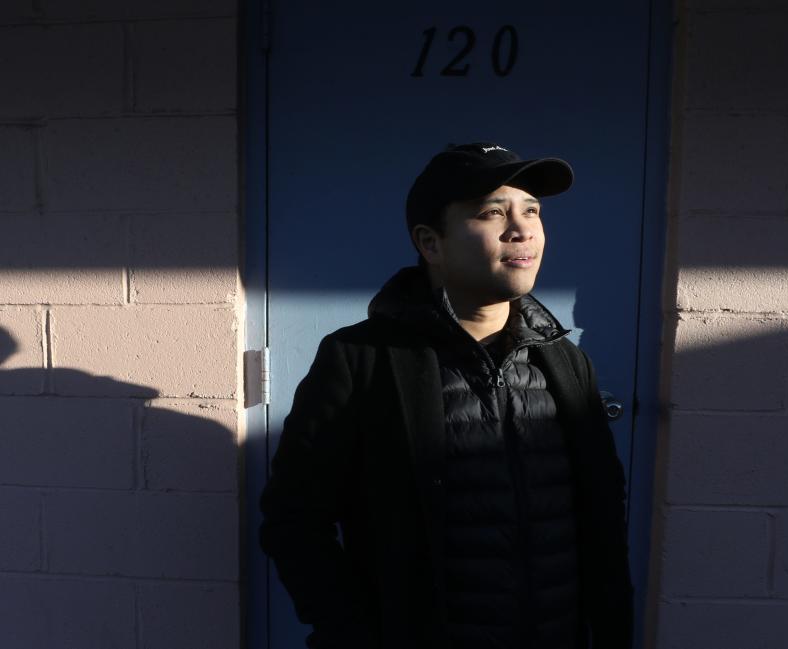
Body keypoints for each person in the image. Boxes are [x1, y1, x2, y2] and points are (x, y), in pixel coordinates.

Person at [259, 142, 633, 649]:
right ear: (430, 243)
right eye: (493, 212)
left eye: (532, 211)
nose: (522, 230)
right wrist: (352, 633)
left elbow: (603, 516)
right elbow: (294, 521)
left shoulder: (566, 360)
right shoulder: (361, 360)